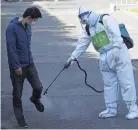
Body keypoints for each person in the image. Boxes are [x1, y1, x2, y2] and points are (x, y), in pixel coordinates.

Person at [64, 7, 138, 120]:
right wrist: (73, 57)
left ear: (88, 15)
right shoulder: (89, 28)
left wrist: (117, 48)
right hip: (104, 57)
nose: (84, 23)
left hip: (118, 53)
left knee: (126, 82)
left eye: (84, 20)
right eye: (82, 21)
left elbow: (116, 33)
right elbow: (82, 43)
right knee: (109, 84)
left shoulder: (105, 19)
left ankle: (133, 109)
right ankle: (111, 109)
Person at [6, 7, 44, 128]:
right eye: (34, 20)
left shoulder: (28, 26)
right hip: (17, 67)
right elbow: (11, 49)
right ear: (28, 18)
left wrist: (30, 60)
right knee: (17, 95)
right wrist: (16, 66)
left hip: (29, 64)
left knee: (38, 87)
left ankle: (34, 99)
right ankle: (20, 120)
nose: (34, 22)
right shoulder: (11, 28)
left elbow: (27, 47)